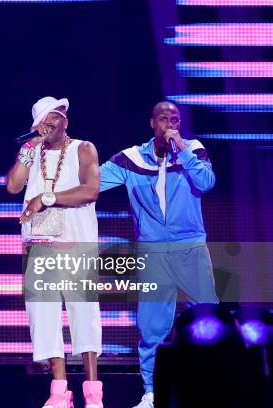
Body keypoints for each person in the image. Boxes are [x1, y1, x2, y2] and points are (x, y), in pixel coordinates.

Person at [99, 101, 217, 408]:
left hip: (189, 246)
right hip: (152, 250)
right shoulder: (131, 159)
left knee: (206, 317)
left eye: (175, 119)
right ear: (152, 123)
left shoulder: (193, 149)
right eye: (164, 118)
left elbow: (206, 182)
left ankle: (210, 385)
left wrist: (184, 152)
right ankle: (151, 392)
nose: (170, 123)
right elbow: (93, 182)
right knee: (151, 325)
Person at [6, 96, 104, 408]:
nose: (51, 124)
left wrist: (45, 198)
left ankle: (93, 393)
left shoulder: (83, 148)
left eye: (56, 118)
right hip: (39, 245)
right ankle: (59, 392)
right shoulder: (32, 152)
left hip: (77, 244)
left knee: (84, 316)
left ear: (66, 120)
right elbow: (12, 186)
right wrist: (28, 149)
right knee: (43, 319)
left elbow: (90, 190)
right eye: (44, 121)